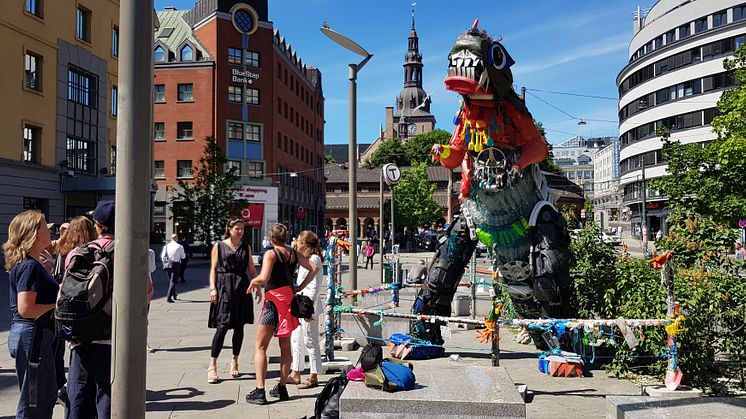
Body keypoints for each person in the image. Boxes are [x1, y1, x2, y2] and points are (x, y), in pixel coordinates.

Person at [246, 223, 319, 405]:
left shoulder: (271, 254)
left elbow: (263, 278)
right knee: (285, 345)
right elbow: (314, 268)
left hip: (273, 302)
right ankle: (281, 387)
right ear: (286, 238)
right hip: (288, 300)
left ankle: (260, 390)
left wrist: (253, 281)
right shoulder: (293, 253)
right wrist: (299, 287)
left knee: (260, 346)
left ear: (270, 238)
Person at [3, 211, 60, 419]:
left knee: (46, 394)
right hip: (32, 336)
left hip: (34, 336)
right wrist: (57, 302)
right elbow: (25, 308)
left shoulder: (32, 264)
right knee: (33, 400)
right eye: (46, 225)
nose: (50, 230)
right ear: (35, 234)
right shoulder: (29, 266)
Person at [66, 200, 116, 418]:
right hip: (112, 339)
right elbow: (147, 294)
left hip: (79, 337)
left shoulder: (79, 252)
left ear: (97, 224)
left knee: (78, 397)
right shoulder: (129, 253)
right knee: (107, 397)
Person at [207, 218, 261, 384]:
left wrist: (258, 285)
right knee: (222, 326)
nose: (240, 231)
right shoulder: (219, 246)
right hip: (224, 287)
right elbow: (214, 269)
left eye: (242, 229)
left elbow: (251, 269)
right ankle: (213, 365)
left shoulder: (246, 247)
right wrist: (212, 288)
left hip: (242, 288)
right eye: (237, 228)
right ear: (229, 229)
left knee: (239, 327)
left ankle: (234, 360)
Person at [51, 216, 97, 403]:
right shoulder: (90, 251)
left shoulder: (62, 251)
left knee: (62, 349)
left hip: (64, 308)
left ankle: (63, 385)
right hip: (85, 308)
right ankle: (73, 390)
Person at [287, 231, 324, 389]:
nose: (297, 242)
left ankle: (314, 375)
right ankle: (296, 371)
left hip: (307, 306)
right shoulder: (305, 259)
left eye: (300, 240)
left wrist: (309, 309)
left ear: (306, 243)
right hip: (300, 304)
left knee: (310, 340)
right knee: (296, 338)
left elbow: (314, 287)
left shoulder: (314, 259)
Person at [161, 234, 186, 303]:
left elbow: (163, 256)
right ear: (177, 238)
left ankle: (174, 294)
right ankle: (169, 297)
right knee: (173, 281)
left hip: (168, 264)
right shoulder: (179, 246)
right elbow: (183, 256)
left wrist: (164, 263)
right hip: (176, 264)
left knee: (171, 279)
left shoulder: (166, 246)